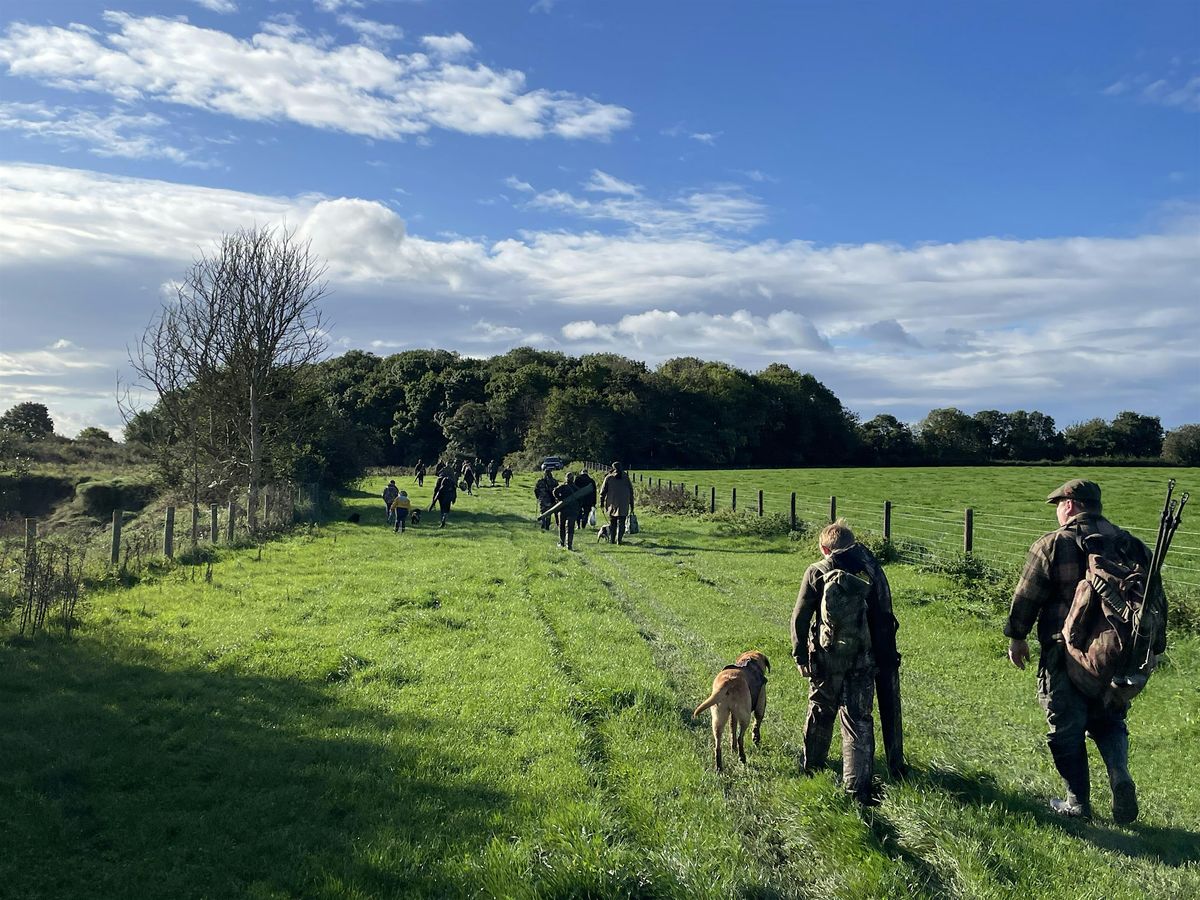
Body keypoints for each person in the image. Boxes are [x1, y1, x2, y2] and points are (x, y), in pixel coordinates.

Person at [1005, 479, 1160, 823]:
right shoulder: (1132, 546)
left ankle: (1077, 802)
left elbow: (1027, 595)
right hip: (1116, 655)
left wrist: (1017, 636)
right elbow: (1154, 601)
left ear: (1071, 504)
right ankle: (1119, 774)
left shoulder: (1053, 544)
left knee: (1065, 726)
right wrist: (1153, 649)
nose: (1058, 510)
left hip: (1064, 652)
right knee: (1109, 718)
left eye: (1058, 503)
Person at [790, 519, 885, 805]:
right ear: (854, 545)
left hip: (827, 656)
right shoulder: (869, 571)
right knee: (857, 719)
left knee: (820, 710)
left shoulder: (816, 571)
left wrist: (800, 655)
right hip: (862, 659)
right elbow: (882, 617)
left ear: (823, 548)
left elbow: (800, 617)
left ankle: (812, 768)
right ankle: (858, 788)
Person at [598, 461, 634, 544]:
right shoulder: (626, 477)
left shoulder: (609, 477)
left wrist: (601, 502)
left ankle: (612, 540)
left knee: (612, 522)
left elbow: (602, 492)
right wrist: (632, 504)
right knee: (622, 522)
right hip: (624, 503)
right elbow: (631, 491)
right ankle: (619, 540)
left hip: (612, 503)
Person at [552, 472, 581, 550]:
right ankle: (569, 545)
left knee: (562, 527)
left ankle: (562, 543)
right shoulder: (576, 488)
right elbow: (580, 499)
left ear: (566, 478)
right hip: (573, 510)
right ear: (573, 479)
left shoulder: (563, 487)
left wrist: (559, 499)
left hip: (563, 509)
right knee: (570, 527)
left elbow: (555, 492)